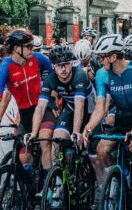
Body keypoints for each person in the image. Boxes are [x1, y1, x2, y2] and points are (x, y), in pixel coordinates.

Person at [82, 34, 132, 210]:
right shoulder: (102, 74)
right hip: (122, 119)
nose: (99, 60)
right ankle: (118, 181)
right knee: (101, 149)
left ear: (113, 56)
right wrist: (88, 127)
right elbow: (100, 107)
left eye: (102, 56)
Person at [26, 45, 96, 166]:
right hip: (70, 107)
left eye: (66, 64)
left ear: (71, 64)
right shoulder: (50, 79)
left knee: (94, 151)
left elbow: (80, 105)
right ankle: (57, 177)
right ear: (53, 66)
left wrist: (75, 132)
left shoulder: (79, 75)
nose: (63, 69)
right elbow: (41, 107)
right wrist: (33, 133)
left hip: (89, 110)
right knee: (57, 137)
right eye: (59, 65)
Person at [0, 29, 56, 173]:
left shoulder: (39, 58)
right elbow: (2, 96)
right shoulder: (6, 67)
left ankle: (49, 186)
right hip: (24, 113)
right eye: (29, 46)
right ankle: (28, 188)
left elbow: (54, 80)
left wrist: (54, 101)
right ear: (17, 48)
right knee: (24, 158)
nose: (33, 49)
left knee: (45, 140)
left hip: (43, 108)